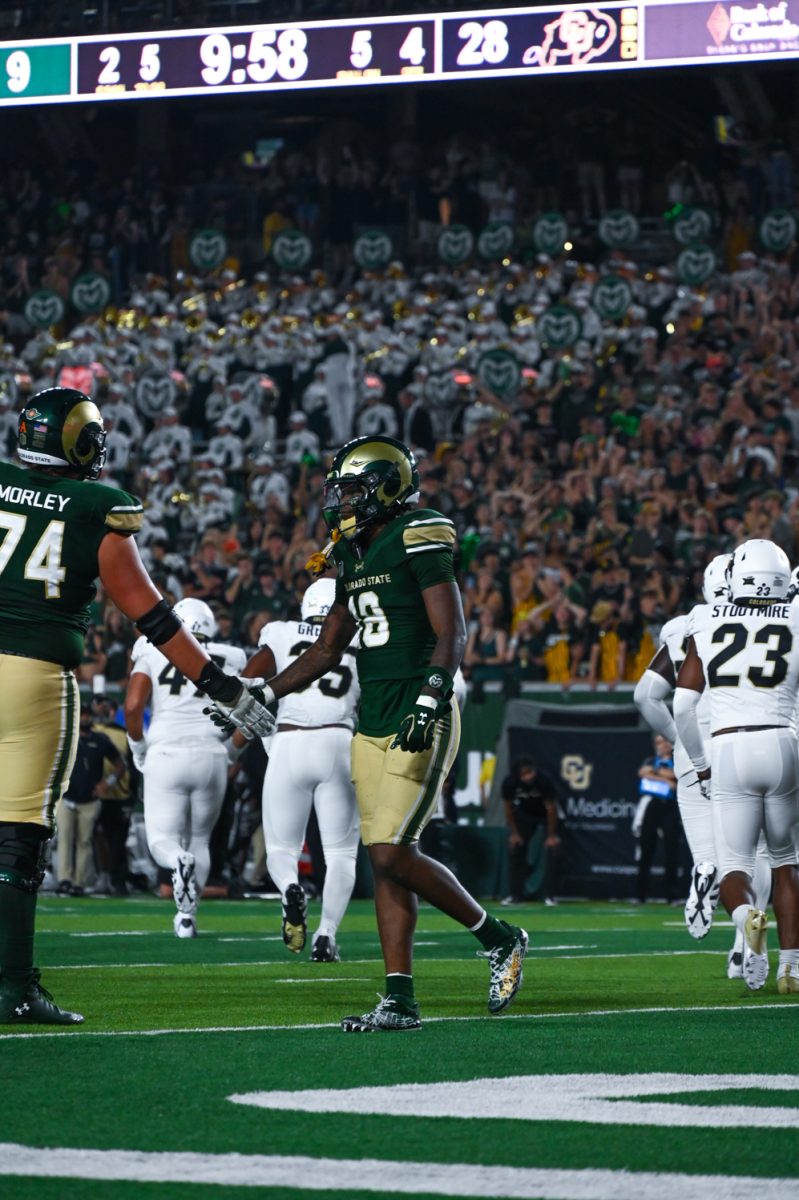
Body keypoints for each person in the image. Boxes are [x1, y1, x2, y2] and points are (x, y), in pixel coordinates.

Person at [0, 387, 274, 1025]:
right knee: (16, 842)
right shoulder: (99, 507)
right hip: (35, 678)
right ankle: (13, 986)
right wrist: (223, 687)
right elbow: (152, 616)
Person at [240, 435, 528, 1031]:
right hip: (369, 718)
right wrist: (267, 692)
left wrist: (430, 698)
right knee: (386, 861)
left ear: (388, 487)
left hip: (418, 711)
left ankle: (499, 937)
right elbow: (326, 648)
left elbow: (452, 632)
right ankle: (398, 998)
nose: (343, 503)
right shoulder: (354, 552)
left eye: (354, 491)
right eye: (340, 492)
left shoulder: (418, 533)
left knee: (393, 850)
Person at [634, 553, 772, 971]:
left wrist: (679, 740)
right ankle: (745, 945)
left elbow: (644, 695)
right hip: (746, 740)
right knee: (757, 852)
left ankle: (705, 871)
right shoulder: (771, 622)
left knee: (709, 853)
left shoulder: (687, 625)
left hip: (693, 747)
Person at [674, 539, 799, 995]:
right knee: (786, 861)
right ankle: (792, 966)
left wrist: (702, 765)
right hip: (784, 743)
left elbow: (683, 705)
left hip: (728, 747)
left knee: (734, 869)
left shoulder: (706, 619)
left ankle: (748, 920)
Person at [245, 576, 360, 962]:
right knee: (341, 852)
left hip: (290, 740)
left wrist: (262, 737)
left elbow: (248, 683)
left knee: (281, 846)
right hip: (339, 743)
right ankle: (327, 935)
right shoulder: (357, 637)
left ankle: (291, 887)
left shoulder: (279, 631)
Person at [124, 598, 248, 938]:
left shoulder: (150, 647)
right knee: (201, 840)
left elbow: (133, 706)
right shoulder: (233, 656)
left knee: (163, 841)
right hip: (211, 754)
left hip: (166, 751)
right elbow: (249, 713)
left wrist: (138, 748)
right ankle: (186, 918)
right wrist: (231, 754)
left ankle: (176, 861)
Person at [55, 703, 126, 897]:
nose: (84, 718)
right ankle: (64, 880)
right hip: (67, 797)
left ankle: (79, 882)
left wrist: (107, 783)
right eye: (82, 714)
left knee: (85, 842)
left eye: (87, 715)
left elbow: (120, 765)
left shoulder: (101, 740)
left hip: (90, 799)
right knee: (65, 839)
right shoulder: (67, 738)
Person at [500, 757, 560, 906]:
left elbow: (551, 809)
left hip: (545, 816)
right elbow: (508, 808)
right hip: (525, 815)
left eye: (530, 772)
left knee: (554, 849)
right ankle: (515, 895)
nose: (528, 776)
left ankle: (550, 895)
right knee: (515, 847)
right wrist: (514, 833)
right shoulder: (510, 783)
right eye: (524, 773)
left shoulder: (544, 781)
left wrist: (551, 835)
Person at [632, 734, 680, 905]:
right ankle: (640, 895)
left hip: (670, 805)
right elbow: (642, 773)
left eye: (666, 741)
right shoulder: (650, 759)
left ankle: (672, 895)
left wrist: (655, 773)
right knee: (646, 849)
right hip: (652, 805)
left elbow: (676, 775)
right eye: (659, 742)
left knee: (671, 850)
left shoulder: (678, 759)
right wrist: (665, 780)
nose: (663, 745)